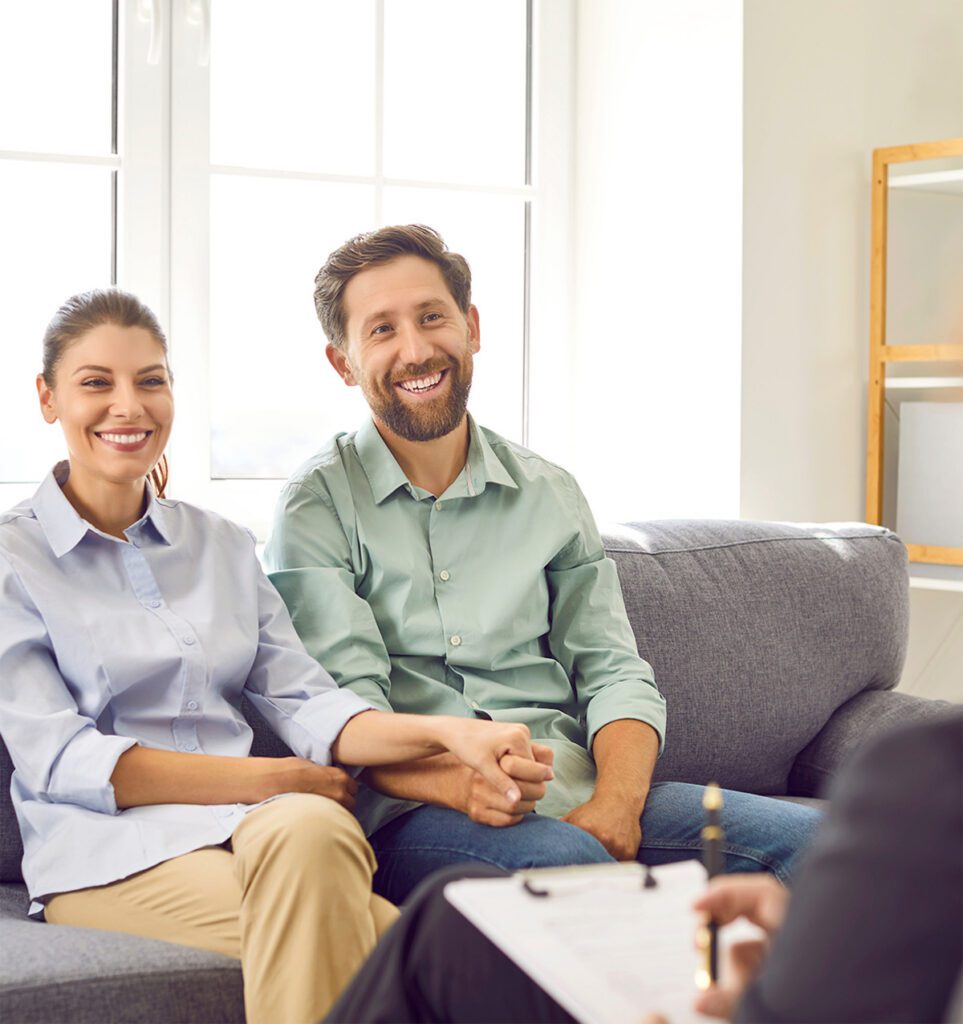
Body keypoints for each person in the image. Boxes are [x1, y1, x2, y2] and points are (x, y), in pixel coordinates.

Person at [0, 288, 548, 1024]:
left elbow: (310, 702)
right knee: (448, 965)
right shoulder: (13, 558)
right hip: (108, 858)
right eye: (96, 383)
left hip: (257, 836)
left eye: (151, 380)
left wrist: (452, 734)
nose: (127, 406)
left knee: (318, 831)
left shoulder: (221, 546)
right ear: (48, 399)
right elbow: (63, 761)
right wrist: (272, 778)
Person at [265, 224, 821, 905]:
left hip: (577, 788)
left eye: (432, 317)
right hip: (415, 817)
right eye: (380, 330)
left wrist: (616, 803)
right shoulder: (314, 505)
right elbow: (344, 714)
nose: (415, 350)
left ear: (470, 327)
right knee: (577, 873)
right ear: (343, 361)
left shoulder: (548, 491)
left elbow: (613, 671)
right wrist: (454, 780)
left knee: (828, 848)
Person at [323, 708, 963, 1024]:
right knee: (537, 880)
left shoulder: (920, 772)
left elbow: (617, 674)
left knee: (453, 920)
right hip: (423, 804)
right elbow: (331, 715)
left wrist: (618, 800)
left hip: (588, 781)